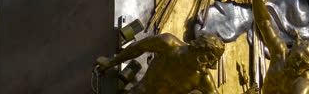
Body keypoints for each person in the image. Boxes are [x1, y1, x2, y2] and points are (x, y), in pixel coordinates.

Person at [95, 32, 224, 94]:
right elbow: (137, 48)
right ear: (196, 48)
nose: (205, 67)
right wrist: (110, 62)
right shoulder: (168, 44)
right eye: (205, 60)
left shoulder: (202, 79)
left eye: (211, 63)